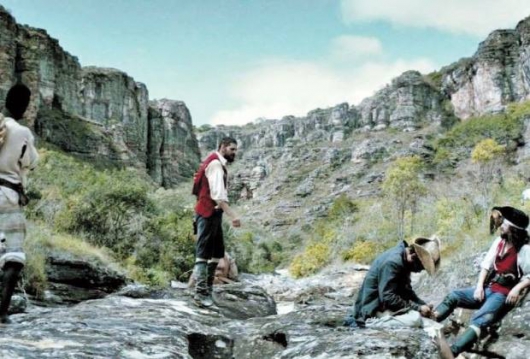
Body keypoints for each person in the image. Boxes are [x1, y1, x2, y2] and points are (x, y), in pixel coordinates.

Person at [433, 206, 530, 358]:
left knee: (480, 319)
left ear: (512, 228)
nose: (500, 225)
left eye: (504, 223)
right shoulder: (499, 242)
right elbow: (486, 265)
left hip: (502, 295)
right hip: (489, 288)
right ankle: (430, 324)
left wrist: (516, 288)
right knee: (454, 296)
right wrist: (479, 287)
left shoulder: (524, 250)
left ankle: (452, 352)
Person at [0, 84, 39, 324]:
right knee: (13, 256)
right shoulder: (22, 132)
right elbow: (31, 162)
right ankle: (2, 313)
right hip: (7, 196)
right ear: (24, 107)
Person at [347, 236, 441, 328]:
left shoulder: (402, 259)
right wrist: (418, 308)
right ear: (413, 257)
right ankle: (371, 323)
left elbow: (406, 291)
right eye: (421, 267)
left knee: (417, 316)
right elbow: (388, 298)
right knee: (415, 319)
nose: (419, 271)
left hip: (382, 305)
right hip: (371, 309)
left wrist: (422, 304)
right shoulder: (393, 263)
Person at [191, 136, 240, 307]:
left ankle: (207, 291)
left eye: (235, 150)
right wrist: (233, 216)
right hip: (208, 213)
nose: (234, 153)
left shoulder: (213, 163)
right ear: (223, 147)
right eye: (232, 149)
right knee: (203, 253)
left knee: (217, 253)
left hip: (212, 213)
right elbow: (218, 197)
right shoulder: (216, 165)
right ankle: (200, 293)